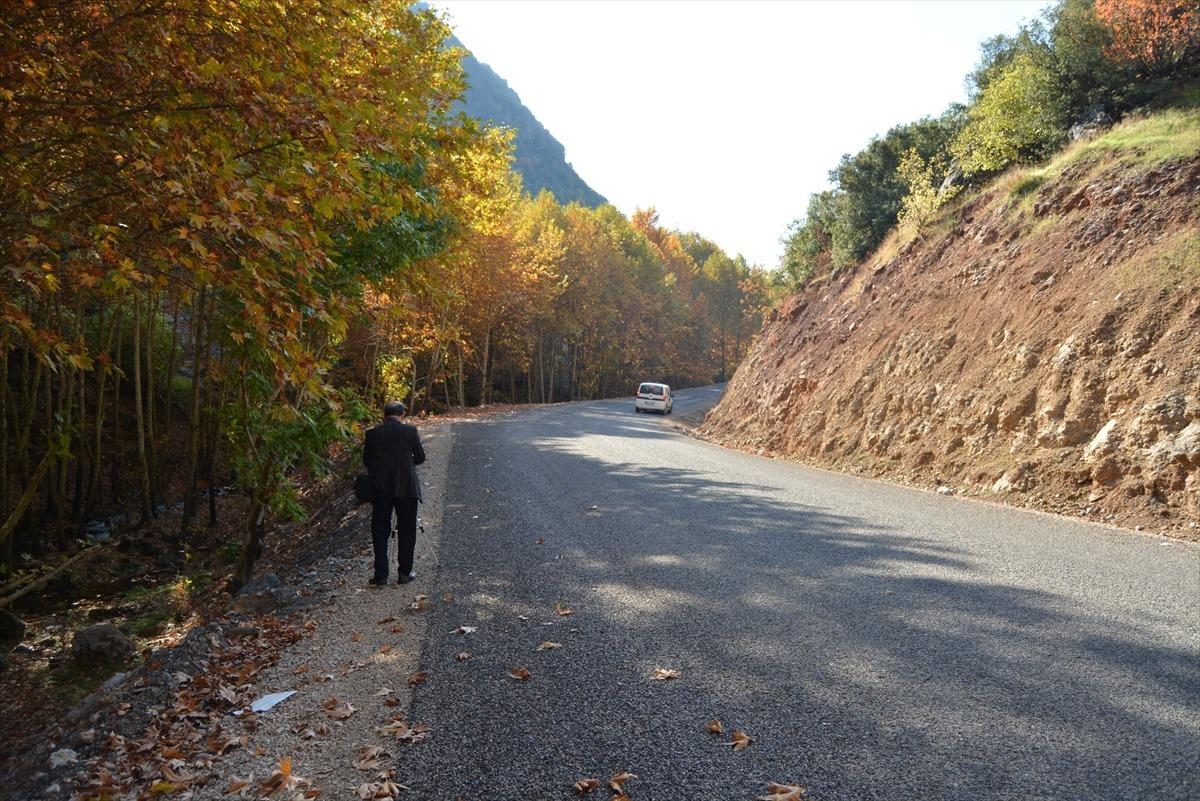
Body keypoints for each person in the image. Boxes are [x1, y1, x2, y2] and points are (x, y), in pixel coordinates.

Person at [362, 400, 425, 585]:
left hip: (380, 489)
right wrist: (407, 463)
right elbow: (420, 457)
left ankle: (381, 575)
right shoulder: (410, 431)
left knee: (380, 530)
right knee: (407, 529)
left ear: (384, 414)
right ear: (402, 414)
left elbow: (367, 461)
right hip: (406, 487)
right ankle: (404, 573)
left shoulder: (372, 433)